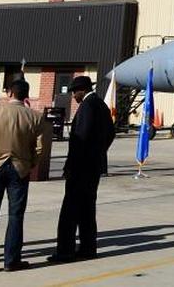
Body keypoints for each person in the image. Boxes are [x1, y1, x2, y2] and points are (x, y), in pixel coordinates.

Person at [48, 76, 114, 263]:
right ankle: (88, 248)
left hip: (81, 168)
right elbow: (111, 133)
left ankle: (65, 251)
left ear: (82, 90)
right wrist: (99, 153)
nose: (73, 96)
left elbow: (80, 139)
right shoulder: (101, 105)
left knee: (69, 211)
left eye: (74, 92)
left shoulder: (87, 106)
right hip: (94, 167)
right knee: (87, 209)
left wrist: (71, 165)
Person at [0, 79, 45, 272]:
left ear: (9, 93)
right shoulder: (35, 117)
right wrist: (30, 163)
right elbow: (40, 148)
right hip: (20, 168)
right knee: (15, 216)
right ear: (26, 95)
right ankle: (11, 260)